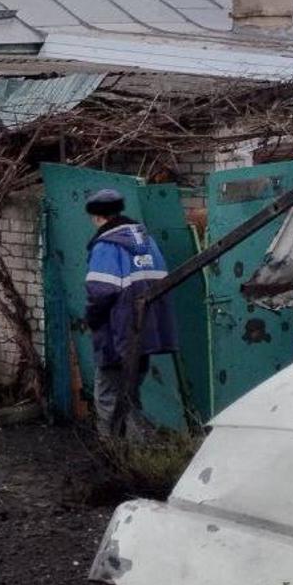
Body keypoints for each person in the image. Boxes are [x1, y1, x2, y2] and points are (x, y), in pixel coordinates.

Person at [83, 188, 177, 440]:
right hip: (146, 333)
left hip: (117, 335)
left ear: (96, 217)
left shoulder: (106, 246)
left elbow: (101, 292)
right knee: (131, 392)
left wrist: (91, 319)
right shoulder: (148, 243)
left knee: (107, 394)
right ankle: (137, 450)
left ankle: (112, 451)